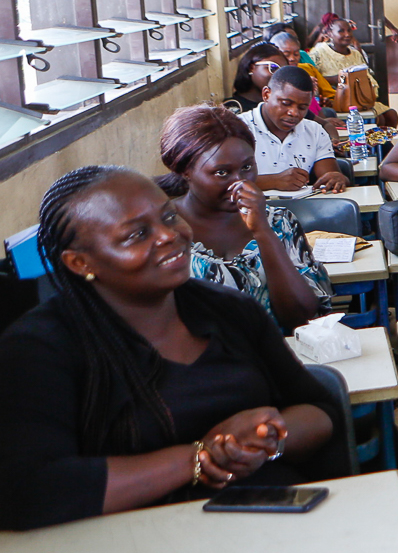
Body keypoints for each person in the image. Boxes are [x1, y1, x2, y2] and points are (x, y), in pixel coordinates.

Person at [0, 165, 342, 530]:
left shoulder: (230, 310)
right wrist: (199, 458)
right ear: (79, 262)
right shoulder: (39, 348)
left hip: (272, 525)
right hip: (131, 546)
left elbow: (321, 411)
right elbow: (30, 491)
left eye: (168, 216)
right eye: (136, 234)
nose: (169, 235)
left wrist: (264, 439)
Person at [160, 105, 332, 332]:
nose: (240, 183)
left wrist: (263, 231)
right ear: (185, 172)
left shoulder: (279, 222)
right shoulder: (162, 233)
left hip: (277, 351)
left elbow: (302, 317)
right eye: (221, 173)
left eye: (247, 167)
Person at [240, 66, 349, 194]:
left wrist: (337, 179)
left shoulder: (314, 131)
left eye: (302, 107)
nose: (294, 113)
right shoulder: (237, 129)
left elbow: (329, 177)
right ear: (266, 95)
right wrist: (274, 181)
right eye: (286, 103)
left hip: (301, 206)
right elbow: (225, 183)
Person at [308, 15, 397, 126]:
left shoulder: (355, 53)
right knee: (379, 120)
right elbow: (313, 79)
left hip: (359, 98)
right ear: (330, 34)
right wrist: (338, 79)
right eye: (341, 31)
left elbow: (366, 75)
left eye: (349, 30)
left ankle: (384, 138)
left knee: (391, 115)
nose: (347, 34)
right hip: (335, 100)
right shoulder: (318, 53)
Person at [225, 42, 287, 113]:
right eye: (273, 68)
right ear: (251, 68)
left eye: (283, 71)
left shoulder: (281, 106)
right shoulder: (233, 108)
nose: (278, 75)